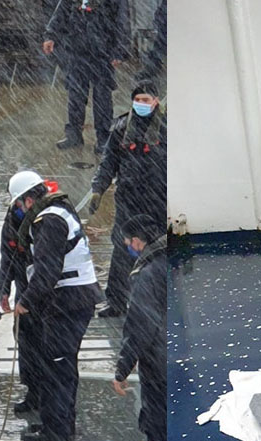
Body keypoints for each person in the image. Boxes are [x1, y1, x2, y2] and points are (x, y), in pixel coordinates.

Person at [8, 171, 102, 441]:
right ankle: (59, 422)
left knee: (56, 367)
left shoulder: (48, 221)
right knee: (62, 365)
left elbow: (47, 271)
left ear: (28, 200)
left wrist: (25, 301)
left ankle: (57, 430)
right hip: (75, 298)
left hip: (68, 300)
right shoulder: (59, 210)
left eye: (19, 203)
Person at [88, 79, 167, 317]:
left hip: (158, 199)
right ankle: (116, 301)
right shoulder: (121, 128)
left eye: (146, 99)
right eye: (137, 100)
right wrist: (98, 189)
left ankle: (158, 300)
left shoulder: (167, 129)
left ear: (156, 101)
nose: (141, 103)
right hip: (128, 198)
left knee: (158, 249)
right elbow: (108, 162)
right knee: (122, 249)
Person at [112, 213, 167, 441]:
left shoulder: (147, 272)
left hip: (159, 367)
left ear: (137, 241)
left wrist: (123, 368)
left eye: (128, 243)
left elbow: (140, 325)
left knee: (157, 432)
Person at [42, 0, 130, 153]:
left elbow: (122, 19)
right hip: (76, 49)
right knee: (75, 94)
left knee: (102, 96)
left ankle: (103, 136)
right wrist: (50, 35)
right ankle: (74, 134)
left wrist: (120, 49)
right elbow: (62, 10)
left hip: (103, 51)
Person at [0, 197, 42, 415]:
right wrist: (4, 288)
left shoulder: (47, 219)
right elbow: (7, 256)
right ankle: (33, 391)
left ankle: (50, 395)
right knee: (24, 340)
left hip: (47, 290)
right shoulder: (12, 220)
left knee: (47, 345)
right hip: (24, 288)